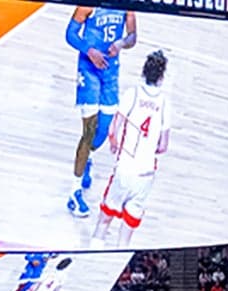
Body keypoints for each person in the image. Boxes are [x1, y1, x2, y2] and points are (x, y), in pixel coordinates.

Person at [63, 6, 136, 218]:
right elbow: (70, 33)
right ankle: (74, 193)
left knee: (103, 131)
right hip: (88, 69)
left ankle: (87, 159)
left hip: (111, 72)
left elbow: (132, 36)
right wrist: (89, 50)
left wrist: (122, 43)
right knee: (89, 130)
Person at [92, 50, 170, 247]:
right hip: (145, 176)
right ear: (161, 77)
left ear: (144, 72)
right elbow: (163, 146)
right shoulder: (164, 102)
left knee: (103, 223)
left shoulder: (132, 94)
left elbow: (113, 129)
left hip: (125, 169)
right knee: (125, 237)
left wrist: (114, 142)